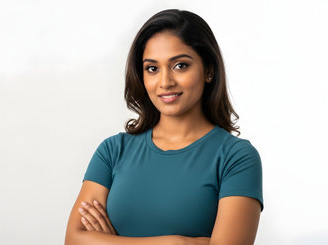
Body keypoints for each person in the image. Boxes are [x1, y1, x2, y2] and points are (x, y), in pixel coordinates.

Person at [65, 8, 263, 245]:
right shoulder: (112, 151)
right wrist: (178, 243)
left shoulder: (236, 157)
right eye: (152, 68)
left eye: (180, 65)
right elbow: (74, 240)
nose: (165, 82)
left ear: (208, 70)